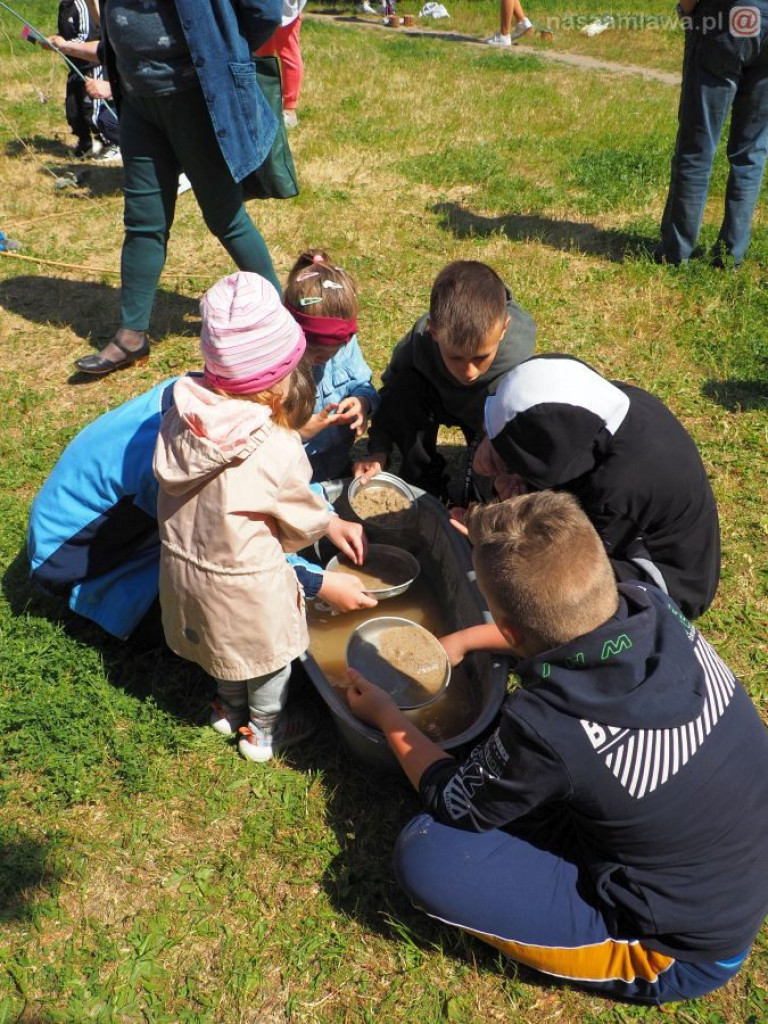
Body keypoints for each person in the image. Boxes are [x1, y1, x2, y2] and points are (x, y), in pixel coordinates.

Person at [345, 491, 768, 1005]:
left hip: (677, 946)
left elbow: (456, 799)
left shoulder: (552, 726)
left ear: (510, 628)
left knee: (430, 853)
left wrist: (389, 717)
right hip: (727, 860)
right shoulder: (648, 602)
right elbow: (567, 629)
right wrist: (467, 641)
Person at [27, 321, 378, 650]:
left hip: (110, 524)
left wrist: (327, 518)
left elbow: (264, 491)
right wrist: (319, 584)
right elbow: (232, 555)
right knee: (229, 616)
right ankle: (112, 599)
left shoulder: (205, 400)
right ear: (265, 396)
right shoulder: (199, 455)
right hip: (73, 559)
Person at [152, 272, 370, 761]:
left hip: (189, 575)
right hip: (248, 588)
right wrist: (326, 530)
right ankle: (264, 731)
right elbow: (298, 527)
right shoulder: (274, 446)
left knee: (222, 649)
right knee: (268, 660)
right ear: (281, 373)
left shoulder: (180, 412)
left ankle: (226, 708)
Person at [73, 0, 284, 377]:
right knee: (143, 221)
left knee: (225, 217)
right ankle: (132, 335)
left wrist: (225, 48)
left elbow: (263, 10)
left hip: (198, 96)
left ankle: (280, 316)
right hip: (136, 99)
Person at [464, 354, 720, 621]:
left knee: (537, 577)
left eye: (509, 460)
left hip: (667, 578)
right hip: (624, 521)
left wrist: (506, 528)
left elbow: (575, 553)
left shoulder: (620, 490)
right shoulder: (599, 402)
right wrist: (518, 475)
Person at [354, 261, 535, 502]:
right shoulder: (418, 342)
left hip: (488, 414)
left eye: (481, 357)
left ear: (503, 330)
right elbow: (392, 396)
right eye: (456, 357)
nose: (469, 372)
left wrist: (496, 445)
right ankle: (424, 479)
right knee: (405, 386)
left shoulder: (518, 353)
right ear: (434, 332)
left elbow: (526, 420)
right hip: (436, 399)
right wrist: (379, 450)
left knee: (484, 493)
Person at [655, 1, 768, 267]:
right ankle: (731, 255)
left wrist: (686, 9)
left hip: (725, 19)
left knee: (697, 146)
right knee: (751, 151)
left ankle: (676, 252)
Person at [283, 250, 379, 481]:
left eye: (333, 349)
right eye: (315, 349)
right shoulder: (278, 366)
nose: (323, 357)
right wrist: (298, 432)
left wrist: (363, 402)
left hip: (334, 464)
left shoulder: (346, 345)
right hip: (289, 475)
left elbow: (362, 384)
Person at [51, 0, 118, 158]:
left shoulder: (83, 5)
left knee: (95, 112)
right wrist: (56, 40)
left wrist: (63, 44)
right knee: (74, 109)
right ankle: (86, 142)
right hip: (75, 66)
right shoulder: (65, 5)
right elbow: (67, 32)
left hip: (91, 66)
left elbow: (90, 37)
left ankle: (113, 144)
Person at [255, 0, 307, 128]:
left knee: (287, 52)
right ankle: (265, 102)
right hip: (264, 6)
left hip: (285, 7)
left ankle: (290, 109)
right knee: (262, 53)